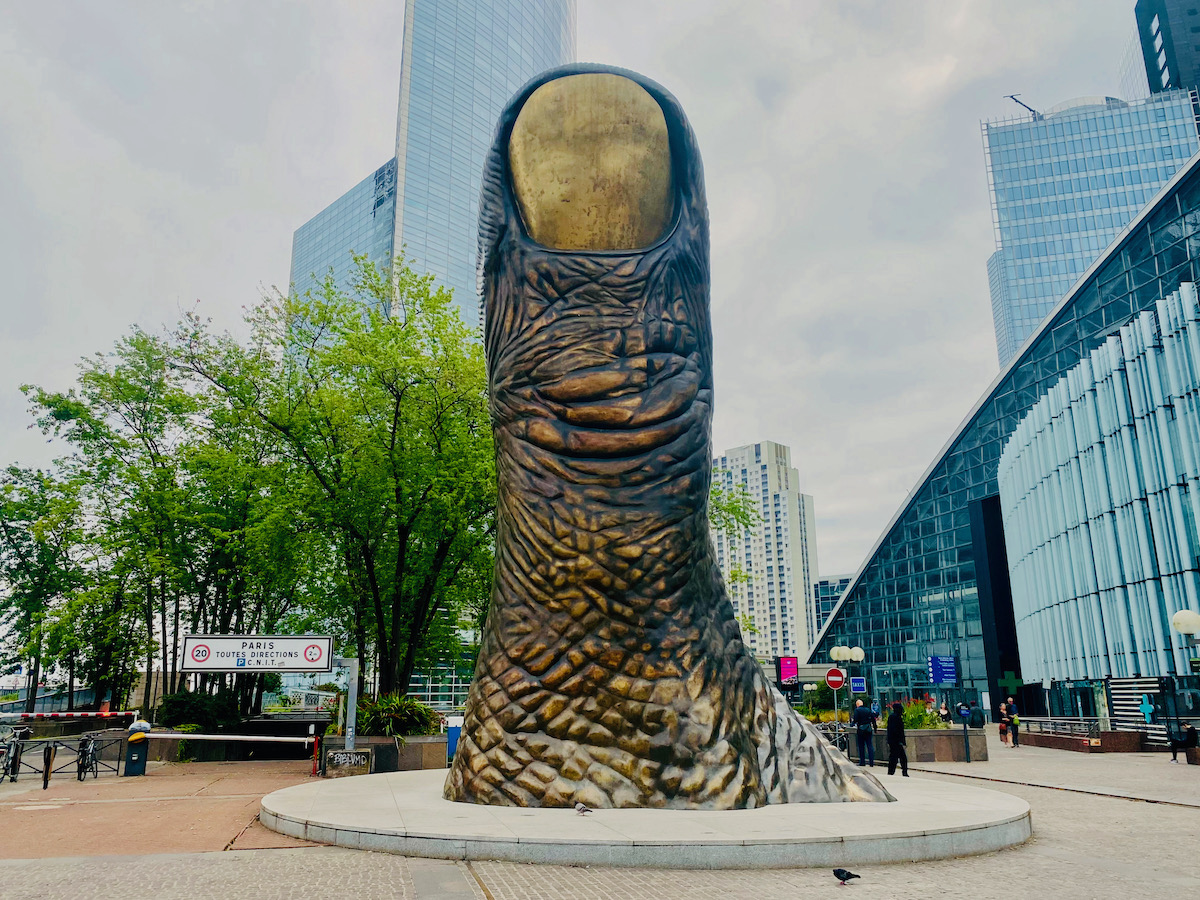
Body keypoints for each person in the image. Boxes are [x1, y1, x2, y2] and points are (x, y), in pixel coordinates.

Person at [852, 698, 876, 767]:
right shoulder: (868, 710)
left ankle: (862, 762)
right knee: (869, 745)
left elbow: (855, 719)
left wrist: (852, 724)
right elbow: (873, 719)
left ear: (857, 705)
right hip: (868, 729)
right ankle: (871, 762)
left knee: (861, 746)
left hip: (861, 730)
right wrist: (875, 728)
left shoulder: (857, 710)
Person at [887, 701, 909, 776]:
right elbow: (899, 731)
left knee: (893, 757)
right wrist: (902, 741)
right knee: (902, 758)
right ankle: (904, 772)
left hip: (892, 741)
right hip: (897, 741)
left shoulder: (892, 717)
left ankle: (891, 771)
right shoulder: (897, 717)